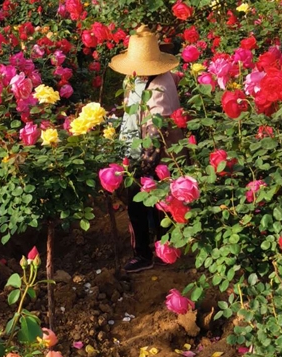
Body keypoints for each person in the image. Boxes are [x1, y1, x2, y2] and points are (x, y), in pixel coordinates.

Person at [109, 25, 183, 273]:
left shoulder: (159, 84)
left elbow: (156, 130)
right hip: (140, 149)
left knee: (144, 203)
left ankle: (147, 254)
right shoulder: (136, 79)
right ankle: (161, 249)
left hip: (156, 154)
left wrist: (141, 167)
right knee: (155, 204)